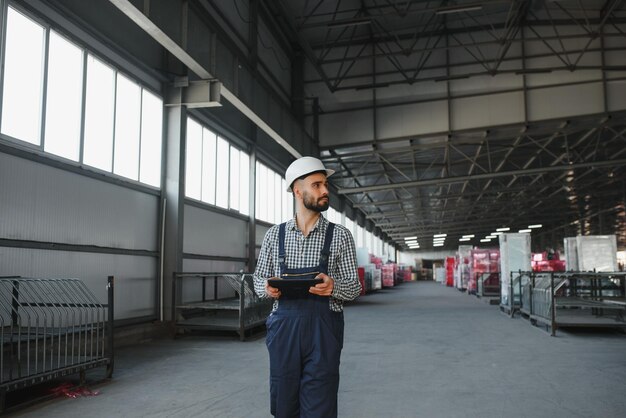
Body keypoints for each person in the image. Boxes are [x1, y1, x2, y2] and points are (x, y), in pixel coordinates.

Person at [253, 156, 361, 418]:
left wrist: (333, 286)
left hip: (323, 331)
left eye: (325, 185)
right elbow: (257, 281)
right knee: (284, 402)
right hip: (284, 330)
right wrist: (267, 288)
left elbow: (355, 287)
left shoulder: (341, 235)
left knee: (320, 402)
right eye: (317, 185)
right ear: (297, 190)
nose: (325, 191)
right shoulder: (274, 235)